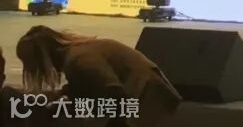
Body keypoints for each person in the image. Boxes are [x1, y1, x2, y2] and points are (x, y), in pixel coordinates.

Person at [16, 25, 181, 126]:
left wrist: (71, 107)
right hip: (143, 95)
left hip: (148, 98)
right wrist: (64, 96)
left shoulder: (79, 59)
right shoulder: (75, 56)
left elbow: (115, 96)